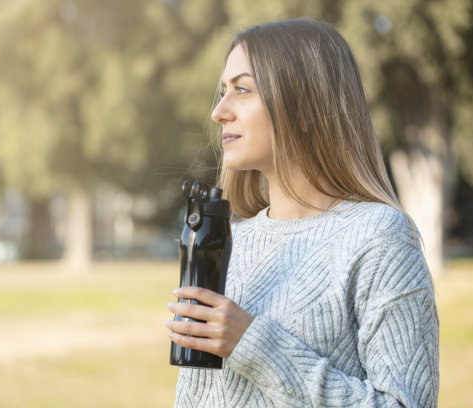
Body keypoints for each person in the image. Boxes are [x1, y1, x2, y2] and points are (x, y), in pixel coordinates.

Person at [166, 17, 439, 407]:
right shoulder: (232, 240)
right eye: (223, 91)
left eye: (242, 89)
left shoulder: (380, 237)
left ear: (305, 107)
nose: (219, 111)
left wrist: (253, 345)